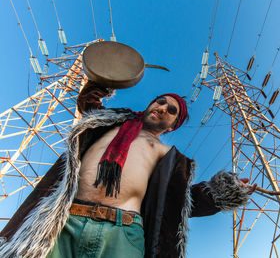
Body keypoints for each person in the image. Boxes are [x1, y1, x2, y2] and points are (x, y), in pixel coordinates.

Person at [0, 81, 256, 258]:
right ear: (150, 105)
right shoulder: (106, 123)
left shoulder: (168, 157)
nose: (163, 108)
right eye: (160, 102)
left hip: (123, 234)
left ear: (172, 126)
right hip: (64, 223)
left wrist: (225, 191)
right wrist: (105, 74)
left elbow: (183, 202)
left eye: (171, 110)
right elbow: (89, 101)